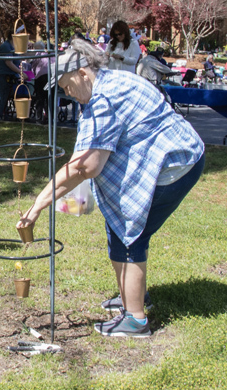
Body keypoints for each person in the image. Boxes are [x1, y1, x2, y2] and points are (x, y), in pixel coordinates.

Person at [17, 39, 205, 338]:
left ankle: (136, 319)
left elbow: (86, 166)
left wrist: (38, 205)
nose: (66, 94)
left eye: (65, 86)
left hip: (175, 165)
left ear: (81, 73)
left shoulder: (104, 99)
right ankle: (132, 296)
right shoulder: (108, 83)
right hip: (176, 153)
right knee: (118, 229)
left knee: (131, 235)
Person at [0, 28, 23, 119]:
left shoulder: (14, 46)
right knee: (4, 95)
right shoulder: (6, 46)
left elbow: (17, 61)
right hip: (2, 75)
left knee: (10, 94)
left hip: (10, 75)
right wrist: (20, 72)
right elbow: (8, 62)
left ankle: (7, 113)